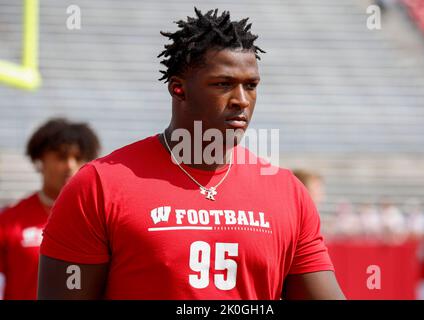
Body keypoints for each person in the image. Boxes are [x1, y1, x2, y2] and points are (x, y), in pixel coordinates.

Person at [37, 8, 345, 300]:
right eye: (223, 84)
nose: (241, 100)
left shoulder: (287, 192)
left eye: (250, 86)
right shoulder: (99, 185)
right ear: (178, 88)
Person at [0, 118, 100, 300]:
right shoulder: (10, 220)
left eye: (77, 158)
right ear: (40, 160)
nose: (70, 166)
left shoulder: (100, 221)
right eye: (62, 157)